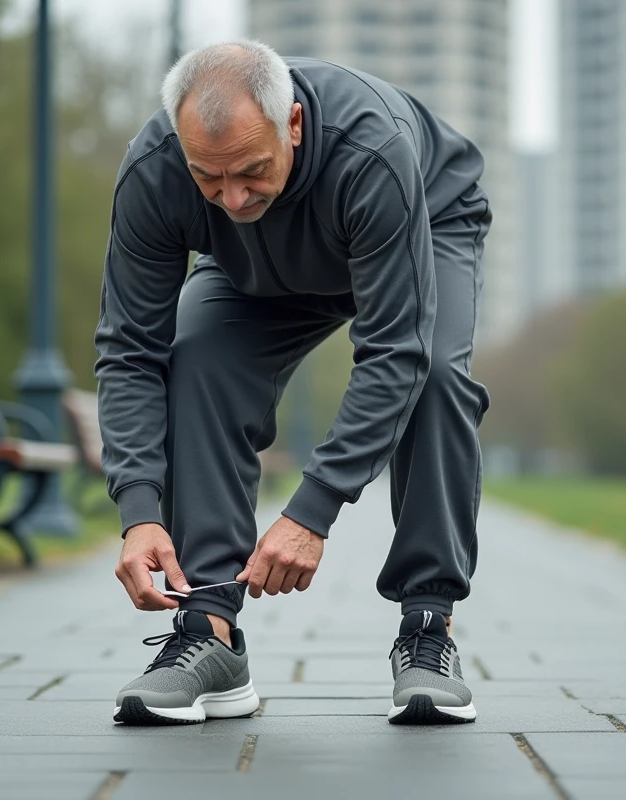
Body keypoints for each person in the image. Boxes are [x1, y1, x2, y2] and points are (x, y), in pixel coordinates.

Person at [94, 40, 491, 727]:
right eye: (209, 181)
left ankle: (428, 624)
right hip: (254, 270)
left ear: (294, 126)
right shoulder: (155, 173)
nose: (234, 197)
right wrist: (138, 512)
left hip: (425, 219)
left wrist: (313, 510)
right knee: (195, 358)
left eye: (251, 170)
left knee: (433, 376)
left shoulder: (370, 151)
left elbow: (394, 352)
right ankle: (209, 628)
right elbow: (131, 350)